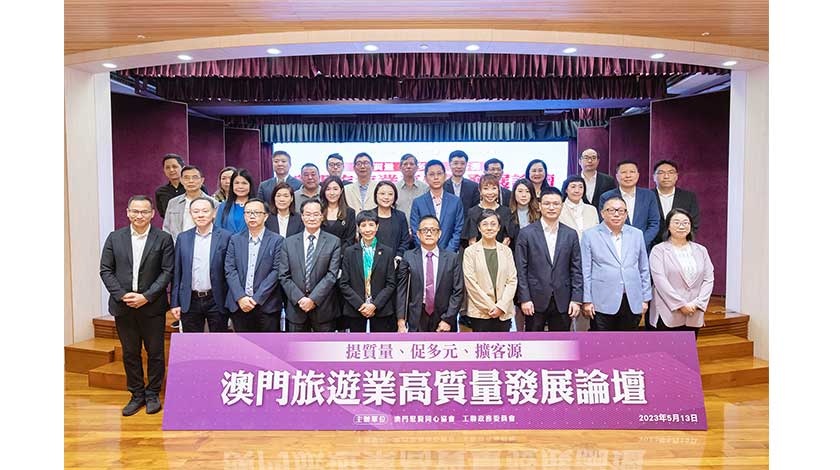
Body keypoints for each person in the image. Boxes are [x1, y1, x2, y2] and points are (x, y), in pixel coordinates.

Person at [99, 195, 174, 416]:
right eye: (135, 211)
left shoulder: (163, 238)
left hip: (152, 307)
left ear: (152, 214)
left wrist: (146, 296)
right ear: (128, 212)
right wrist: (122, 295)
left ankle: (152, 394)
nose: (139, 215)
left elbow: (167, 271)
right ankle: (136, 394)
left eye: (144, 212)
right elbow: (106, 270)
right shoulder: (115, 237)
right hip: (123, 307)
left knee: (155, 353)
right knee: (130, 352)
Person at [514, 187, 583, 332]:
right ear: (539, 206)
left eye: (556, 204)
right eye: (547, 203)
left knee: (561, 343)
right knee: (534, 342)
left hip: (563, 300)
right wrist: (525, 298)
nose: (551, 207)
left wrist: (576, 299)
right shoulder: (526, 233)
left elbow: (576, 269)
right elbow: (521, 269)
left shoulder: (571, 234)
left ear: (561, 206)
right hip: (534, 300)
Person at [581, 196, 652, 331]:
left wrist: (645, 299)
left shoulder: (637, 234)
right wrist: (587, 300)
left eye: (621, 211)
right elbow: (585, 270)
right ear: (602, 213)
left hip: (632, 299)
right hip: (601, 301)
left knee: (628, 342)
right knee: (602, 342)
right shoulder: (590, 235)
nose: (616, 214)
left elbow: (644, 268)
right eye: (611, 210)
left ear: (626, 214)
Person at [278, 199, 343, 332]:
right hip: (296, 309)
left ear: (322, 216)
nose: (312, 218)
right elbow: (284, 276)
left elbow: (332, 275)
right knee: (296, 346)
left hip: (324, 308)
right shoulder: (288, 243)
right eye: (308, 214)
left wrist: (313, 299)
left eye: (316, 214)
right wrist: (300, 299)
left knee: (324, 346)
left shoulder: (334, 242)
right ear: (302, 217)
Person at [170, 197, 233, 333]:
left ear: (214, 213)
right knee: (192, 343)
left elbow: (230, 271)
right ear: (190, 213)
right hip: (190, 299)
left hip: (217, 299)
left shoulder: (226, 237)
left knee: (219, 341)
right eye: (196, 211)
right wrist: (175, 302)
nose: (200, 215)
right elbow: (177, 273)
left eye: (205, 211)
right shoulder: (183, 238)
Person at [223, 199, 285, 332]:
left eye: (256, 212)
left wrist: (256, 298)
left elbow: (276, 271)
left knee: (268, 344)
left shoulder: (277, 240)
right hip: (239, 305)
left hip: (267, 305)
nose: (252, 216)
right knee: (242, 344)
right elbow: (230, 269)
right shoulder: (235, 239)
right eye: (248, 213)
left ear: (266, 216)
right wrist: (241, 297)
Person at [649, 209, 714, 336]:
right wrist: (680, 305)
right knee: (666, 349)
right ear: (668, 226)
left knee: (688, 348)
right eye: (676, 222)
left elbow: (708, 279)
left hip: (694, 312)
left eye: (685, 223)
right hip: (668, 312)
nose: (681, 226)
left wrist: (697, 303)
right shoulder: (659, 250)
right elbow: (660, 282)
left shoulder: (701, 250)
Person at [396, 215, 464, 332]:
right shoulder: (408, 257)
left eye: (433, 230)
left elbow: (458, 290)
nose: (428, 234)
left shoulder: (452, 258)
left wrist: (448, 319)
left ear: (439, 233)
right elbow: (402, 290)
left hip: (444, 317)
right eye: (424, 230)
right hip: (417, 316)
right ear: (418, 234)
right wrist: (401, 320)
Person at [338, 211, 398, 332]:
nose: (368, 229)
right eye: (363, 225)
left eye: (371, 225)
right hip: (356, 309)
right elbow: (344, 283)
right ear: (358, 228)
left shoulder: (387, 252)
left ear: (377, 227)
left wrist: (375, 305)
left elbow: (391, 283)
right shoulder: (349, 252)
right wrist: (360, 305)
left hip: (381, 309)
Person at [463, 210, 518, 332]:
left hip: (503, 312)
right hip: (480, 313)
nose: (489, 228)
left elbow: (512, 280)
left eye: (493, 224)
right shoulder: (470, 252)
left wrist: (501, 306)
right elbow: (471, 283)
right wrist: (491, 307)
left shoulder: (506, 251)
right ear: (479, 228)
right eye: (485, 224)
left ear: (499, 228)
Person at [598, 160, 660, 251]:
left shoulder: (649, 195)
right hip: (616, 248)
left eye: (632, 172)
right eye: (623, 172)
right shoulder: (606, 197)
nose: (628, 175)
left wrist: (641, 242)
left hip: (643, 248)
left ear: (637, 175)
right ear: (617, 176)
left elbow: (654, 223)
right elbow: (605, 223)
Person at [409, 159, 463, 252]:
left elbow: (458, 230)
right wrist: (427, 250)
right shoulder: (418, 202)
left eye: (439, 173)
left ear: (445, 176)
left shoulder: (455, 201)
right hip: (425, 254)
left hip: (450, 254)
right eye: (431, 174)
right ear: (425, 178)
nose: (436, 177)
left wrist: (448, 253)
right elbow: (415, 231)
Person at [652, 160, 700, 245]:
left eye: (670, 172)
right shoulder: (647, 196)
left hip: (680, 245)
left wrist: (681, 240)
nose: (666, 176)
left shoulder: (688, 197)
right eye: (661, 173)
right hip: (651, 245)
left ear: (676, 176)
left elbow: (694, 223)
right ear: (654, 177)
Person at [162, 165, 217, 241]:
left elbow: (217, 228)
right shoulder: (173, 203)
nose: (191, 181)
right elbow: (166, 228)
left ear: (202, 180)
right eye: (186, 178)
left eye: (195, 177)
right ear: (181, 180)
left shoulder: (214, 203)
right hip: (177, 245)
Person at [462, 174, 515, 247]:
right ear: (480, 190)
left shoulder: (506, 212)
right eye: (486, 188)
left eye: (494, 188)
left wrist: (498, 252)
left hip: (501, 252)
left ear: (498, 190)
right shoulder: (473, 212)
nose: (490, 192)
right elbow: (472, 241)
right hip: (478, 252)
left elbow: (507, 239)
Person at [373, 181, 411, 259]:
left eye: (390, 194)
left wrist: (398, 256)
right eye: (382, 194)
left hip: (396, 260)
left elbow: (405, 240)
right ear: (376, 195)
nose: (386, 197)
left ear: (395, 197)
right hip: (372, 260)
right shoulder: (369, 216)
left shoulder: (400, 216)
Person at [320, 175, 357, 251]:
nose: (332, 193)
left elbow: (350, 239)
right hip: (320, 254)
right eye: (328, 189)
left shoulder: (350, 212)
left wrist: (337, 253)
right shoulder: (318, 211)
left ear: (341, 191)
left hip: (343, 254)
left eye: (335, 189)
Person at [559, 175, 599, 240]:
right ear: (566, 190)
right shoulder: (559, 209)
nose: (577, 190)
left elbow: (596, 233)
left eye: (580, 187)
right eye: (573, 187)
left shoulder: (592, 209)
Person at [444, 150, 480, 221]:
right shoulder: (442, 186)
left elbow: (476, 209)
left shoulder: (474, 187)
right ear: (450, 164)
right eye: (455, 163)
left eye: (462, 163)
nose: (459, 166)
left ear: (466, 165)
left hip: (468, 225)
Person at [216, 168, 255, 234]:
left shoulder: (259, 206)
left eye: (244, 183)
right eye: (236, 183)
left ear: (250, 185)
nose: (240, 186)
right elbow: (217, 230)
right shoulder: (223, 206)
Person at [395, 153, 429, 224]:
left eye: (411, 164)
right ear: (400, 168)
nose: (408, 166)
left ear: (417, 168)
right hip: (399, 227)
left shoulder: (425, 188)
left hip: (420, 227)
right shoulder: (394, 188)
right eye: (405, 164)